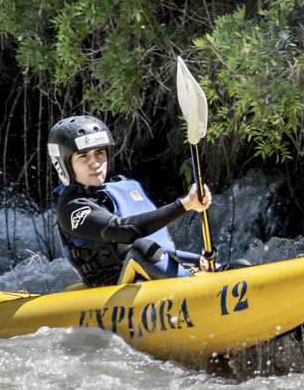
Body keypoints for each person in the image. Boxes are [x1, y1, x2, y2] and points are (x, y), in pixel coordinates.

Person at [48, 115, 212, 287]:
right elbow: (125, 231)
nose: (95, 163)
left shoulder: (115, 190)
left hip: (141, 275)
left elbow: (155, 249)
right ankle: (190, 290)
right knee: (143, 248)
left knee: (239, 266)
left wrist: (194, 259)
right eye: (83, 156)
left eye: (99, 152)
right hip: (109, 290)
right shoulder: (71, 208)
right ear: (64, 164)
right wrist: (186, 204)